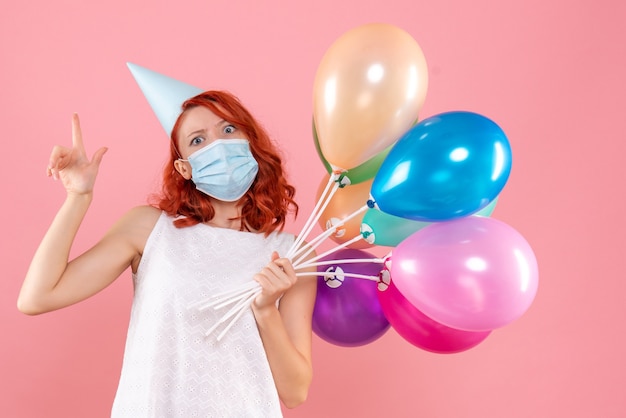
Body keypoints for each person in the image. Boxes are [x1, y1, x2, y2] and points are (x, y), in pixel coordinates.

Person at [17, 88, 317, 417]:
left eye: (228, 129)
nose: (217, 145)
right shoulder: (149, 229)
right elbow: (38, 297)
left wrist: (265, 311)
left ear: (252, 143)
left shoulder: (292, 254)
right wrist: (78, 197)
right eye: (198, 140)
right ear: (185, 168)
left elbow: (295, 391)